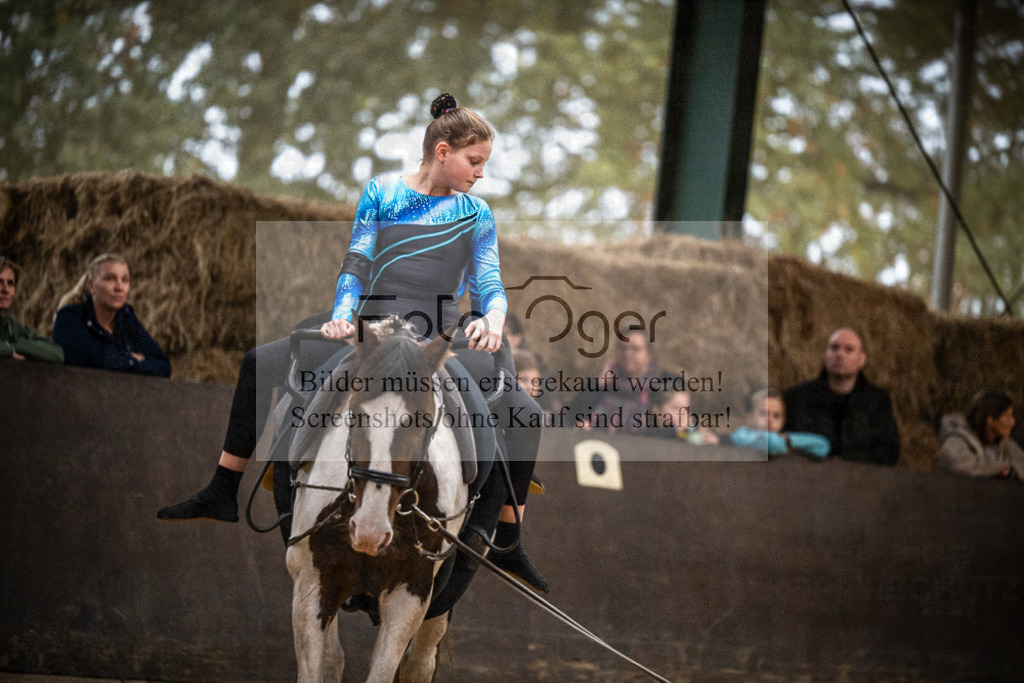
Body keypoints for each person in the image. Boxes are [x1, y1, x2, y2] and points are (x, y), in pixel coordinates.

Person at [158, 93, 548, 593]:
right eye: (475, 162)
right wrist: (343, 316)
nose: (480, 173)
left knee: (524, 412)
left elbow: (490, 280)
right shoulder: (382, 190)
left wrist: (492, 318)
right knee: (261, 360)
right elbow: (357, 261)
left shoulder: (476, 212)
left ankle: (509, 537)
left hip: (435, 330)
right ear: (443, 151)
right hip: (371, 324)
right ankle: (222, 488)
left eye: (484, 165)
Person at [782, 327, 900, 465]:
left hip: (860, 480)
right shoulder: (796, 398)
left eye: (848, 349)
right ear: (826, 355)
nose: (840, 354)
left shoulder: (877, 402)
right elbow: (782, 442)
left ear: (861, 359)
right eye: (834, 348)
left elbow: (889, 451)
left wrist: (845, 461)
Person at [52, 253, 170, 377]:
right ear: (91, 285)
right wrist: (132, 359)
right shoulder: (70, 317)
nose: (119, 287)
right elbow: (96, 363)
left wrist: (119, 360)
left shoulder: (126, 317)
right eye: (110, 279)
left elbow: (163, 366)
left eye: (125, 280)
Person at [569, 332, 661, 432]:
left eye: (635, 349)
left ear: (649, 355)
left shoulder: (661, 387)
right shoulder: (597, 387)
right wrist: (599, 386)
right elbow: (570, 419)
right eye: (623, 348)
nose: (627, 353)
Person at [939, 389, 1024, 481]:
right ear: (990, 420)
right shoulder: (956, 443)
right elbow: (961, 467)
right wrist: (999, 469)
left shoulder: (1005, 445)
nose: (1013, 422)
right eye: (1008, 417)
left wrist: (1012, 471)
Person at [726, 388, 830, 459]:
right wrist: (788, 445)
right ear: (750, 418)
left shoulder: (784, 438)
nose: (770, 419)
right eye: (763, 413)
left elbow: (822, 446)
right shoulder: (741, 434)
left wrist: (789, 440)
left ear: (783, 421)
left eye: (776, 416)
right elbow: (770, 443)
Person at [0, 256, 65, 363]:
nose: (6, 290)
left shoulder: (10, 325)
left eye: (10, 283)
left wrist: (14, 345)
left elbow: (57, 353)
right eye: (0, 282)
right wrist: (9, 350)